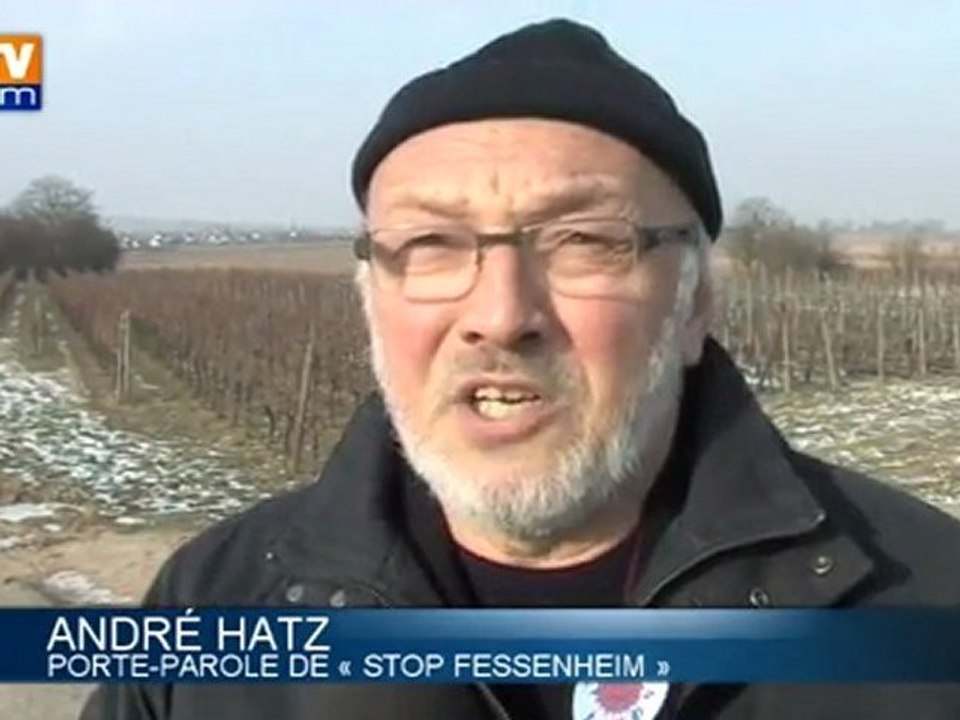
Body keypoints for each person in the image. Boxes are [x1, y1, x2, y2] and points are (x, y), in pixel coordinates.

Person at [81, 18, 960, 720]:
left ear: (694, 304)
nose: (501, 315)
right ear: (371, 296)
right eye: (430, 243)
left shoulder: (925, 605)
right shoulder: (211, 609)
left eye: (583, 240)